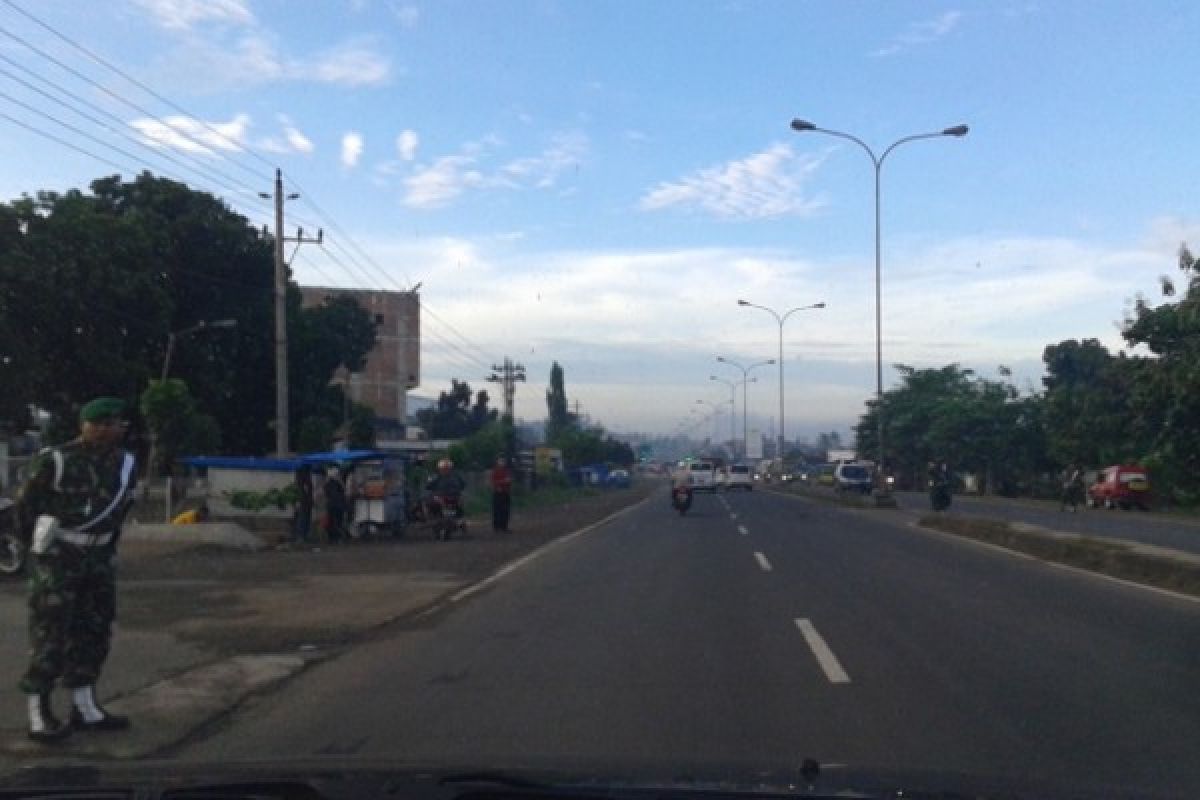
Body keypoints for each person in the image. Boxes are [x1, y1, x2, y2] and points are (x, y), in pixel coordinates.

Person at [15, 396, 137, 742]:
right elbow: (26, 508)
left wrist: (107, 550)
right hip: (59, 560)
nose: (111, 430)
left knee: (94, 632)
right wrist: (39, 550)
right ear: (87, 425)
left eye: (115, 424)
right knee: (50, 634)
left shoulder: (125, 462)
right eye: (104, 424)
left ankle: (85, 707)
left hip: (98, 559)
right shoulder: (55, 460)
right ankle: (39, 713)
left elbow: (121, 511)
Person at [489, 456, 513, 533]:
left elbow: (509, 481)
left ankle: (504, 526)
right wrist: (503, 482)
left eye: (503, 461)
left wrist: (506, 482)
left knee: (505, 510)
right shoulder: (495, 471)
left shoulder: (506, 471)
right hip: (498, 493)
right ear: (497, 462)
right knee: (497, 510)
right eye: (500, 461)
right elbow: (493, 482)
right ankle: (496, 527)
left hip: (506, 492)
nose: (502, 463)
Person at [324, 469, 348, 543]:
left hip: (331, 505)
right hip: (337, 505)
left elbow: (327, 494)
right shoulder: (337, 484)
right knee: (338, 522)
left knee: (332, 522)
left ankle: (332, 538)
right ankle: (337, 537)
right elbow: (343, 491)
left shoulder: (327, 484)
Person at [292, 465, 314, 544]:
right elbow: (302, 490)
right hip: (303, 501)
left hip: (305, 501)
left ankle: (302, 536)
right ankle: (301, 536)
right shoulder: (302, 481)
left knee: (304, 518)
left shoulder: (304, 481)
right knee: (302, 518)